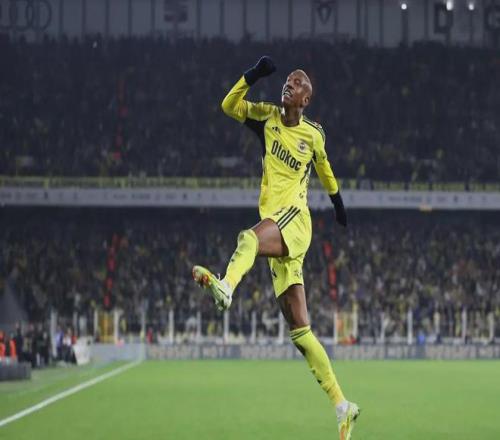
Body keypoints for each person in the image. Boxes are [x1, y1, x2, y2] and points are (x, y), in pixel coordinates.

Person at [193, 56, 360, 439]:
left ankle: (226, 286)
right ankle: (343, 405)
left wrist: (338, 203)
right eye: (287, 80)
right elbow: (228, 106)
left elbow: (324, 167)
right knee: (300, 332)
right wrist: (252, 74)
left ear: (305, 99)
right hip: (277, 224)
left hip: (295, 221)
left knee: (249, 238)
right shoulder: (267, 119)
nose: (289, 84)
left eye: (297, 83)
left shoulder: (313, 134)